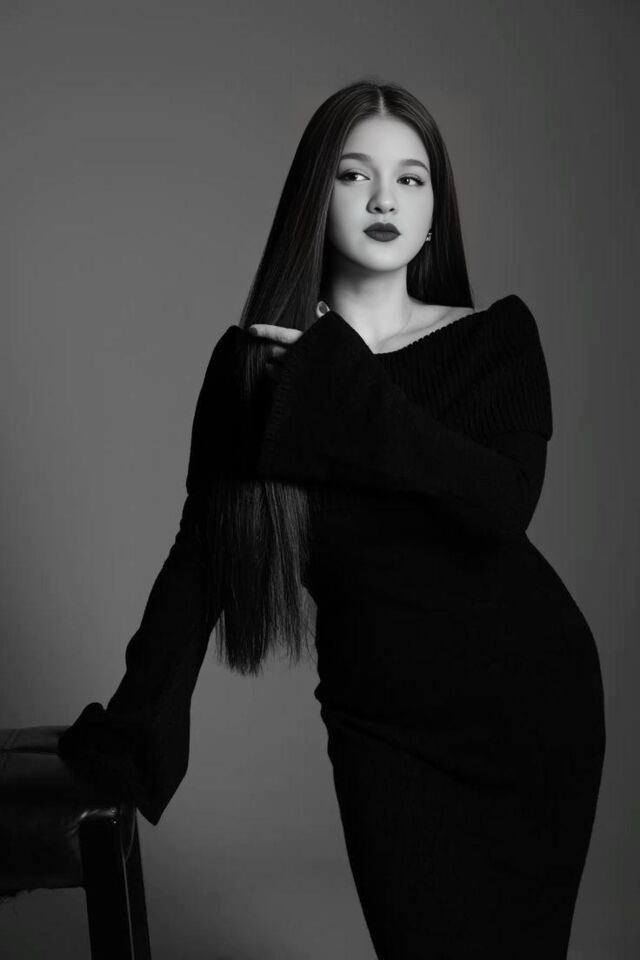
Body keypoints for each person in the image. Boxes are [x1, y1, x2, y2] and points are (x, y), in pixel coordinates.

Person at [58, 79, 606, 958]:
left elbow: (502, 503)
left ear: (435, 213)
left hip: (531, 710)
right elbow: (200, 556)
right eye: (355, 175)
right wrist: (134, 730)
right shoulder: (254, 368)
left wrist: (345, 388)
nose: (386, 200)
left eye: (411, 180)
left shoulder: (497, 339)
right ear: (317, 196)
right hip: (381, 726)